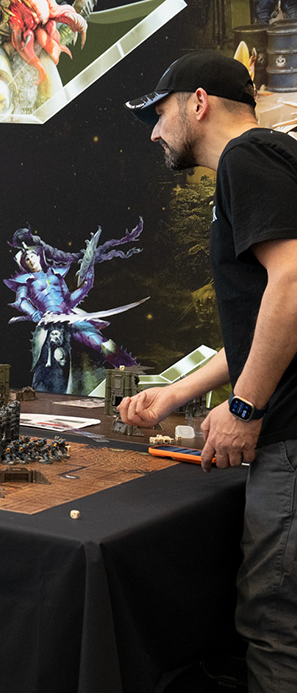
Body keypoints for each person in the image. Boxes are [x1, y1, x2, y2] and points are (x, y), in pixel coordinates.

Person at [121, 51, 297, 692]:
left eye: (159, 113)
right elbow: (263, 322)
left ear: (198, 103)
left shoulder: (247, 158)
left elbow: (292, 285)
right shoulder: (277, 158)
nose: (154, 132)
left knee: (277, 629)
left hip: (290, 442)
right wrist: (177, 393)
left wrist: (245, 407)